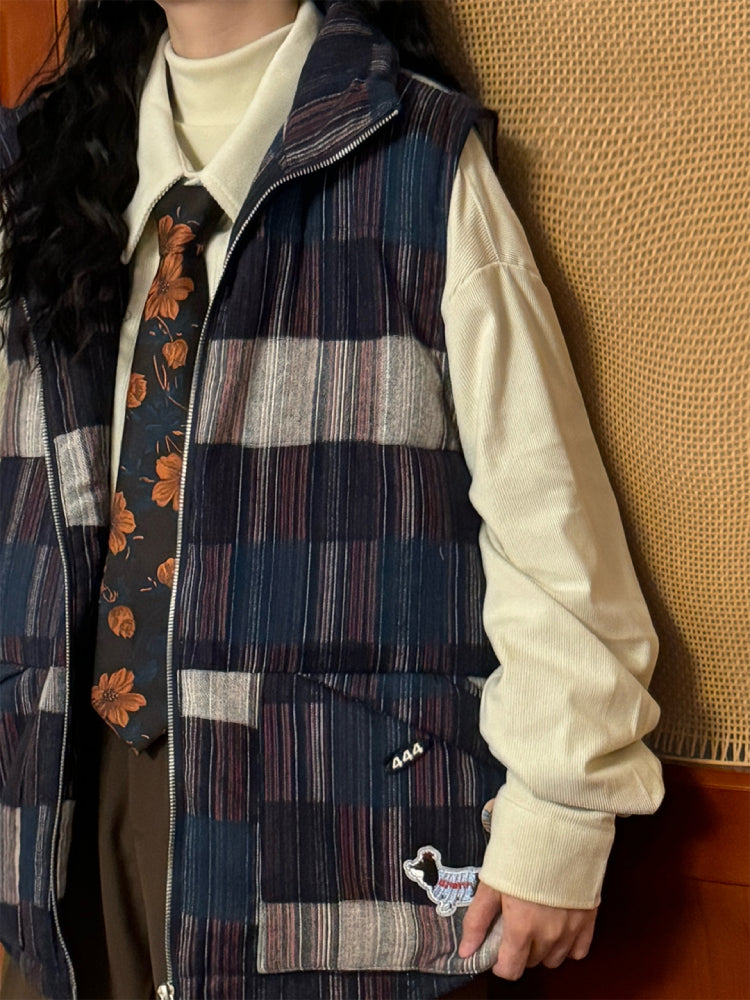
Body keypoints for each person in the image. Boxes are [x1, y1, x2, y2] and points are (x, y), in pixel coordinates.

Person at [0, 1, 665, 997]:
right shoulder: (41, 173)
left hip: (326, 833)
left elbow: (549, 523)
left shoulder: (416, 166)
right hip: (59, 814)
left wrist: (563, 810)